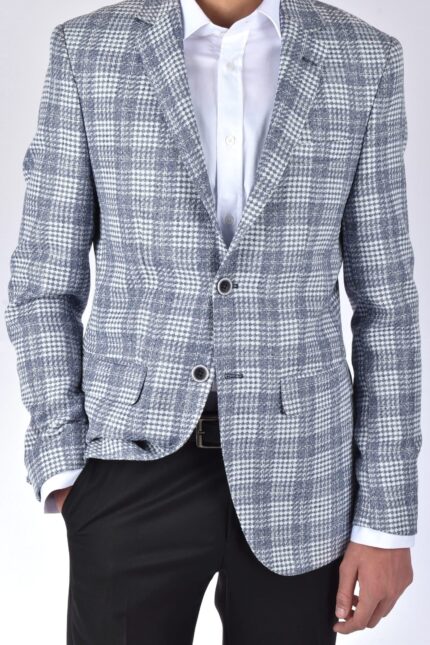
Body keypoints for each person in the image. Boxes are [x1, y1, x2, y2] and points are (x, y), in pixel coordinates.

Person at [5, 0, 422, 643]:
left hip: (302, 475)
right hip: (129, 466)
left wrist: (387, 522)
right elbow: (43, 281)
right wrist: (63, 465)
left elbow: (386, 303)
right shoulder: (88, 50)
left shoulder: (363, 58)